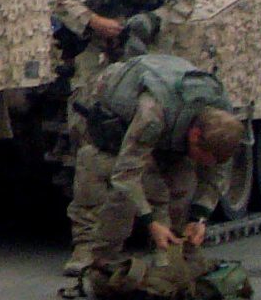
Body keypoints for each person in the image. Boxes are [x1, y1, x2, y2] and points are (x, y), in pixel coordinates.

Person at [51, 0, 199, 269]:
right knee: (92, 147)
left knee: (161, 143)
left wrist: (156, 20)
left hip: (152, 53)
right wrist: (91, 20)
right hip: (100, 50)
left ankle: (165, 237)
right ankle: (88, 243)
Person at [63, 52, 245, 276]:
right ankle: (89, 249)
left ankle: (172, 248)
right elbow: (126, 175)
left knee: (182, 182)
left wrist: (198, 219)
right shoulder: (152, 115)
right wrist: (150, 221)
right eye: (201, 157)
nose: (202, 163)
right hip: (107, 115)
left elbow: (215, 177)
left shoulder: (223, 124)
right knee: (99, 170)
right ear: (195, 135)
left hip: (168, 125)